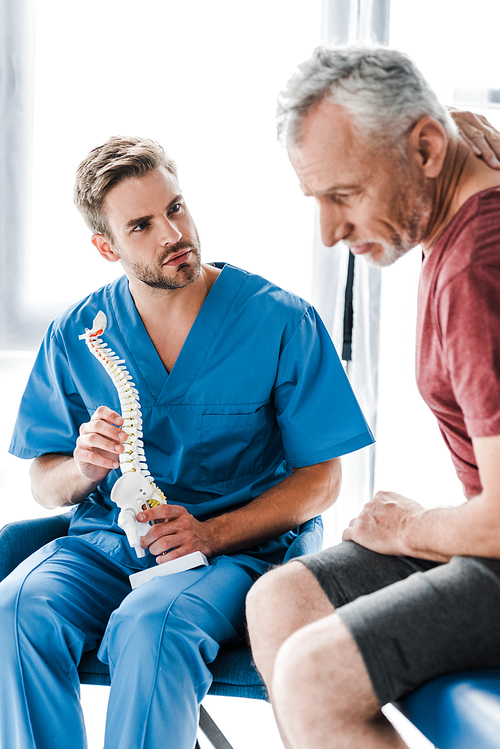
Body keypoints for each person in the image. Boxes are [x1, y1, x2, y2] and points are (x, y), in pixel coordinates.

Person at [0, 135, 373, 749]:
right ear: (106, 246)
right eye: (141, 225)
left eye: (175, 208)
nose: (172, 233)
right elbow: (44, 480)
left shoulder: (280, 321)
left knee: (153, 625)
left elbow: (323, 479)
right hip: (109, 543)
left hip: (234, 553)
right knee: (17, 610)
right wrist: (83, 469)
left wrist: (211, 534)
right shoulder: (78, 333)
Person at [246, 45, 500, 749]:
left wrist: (415, 527)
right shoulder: (462, 187)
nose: (329, 233)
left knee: (311, 679)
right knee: (280, 599)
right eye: (319, 200)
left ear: (425, 148)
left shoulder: (476, 271)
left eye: (345, 195)